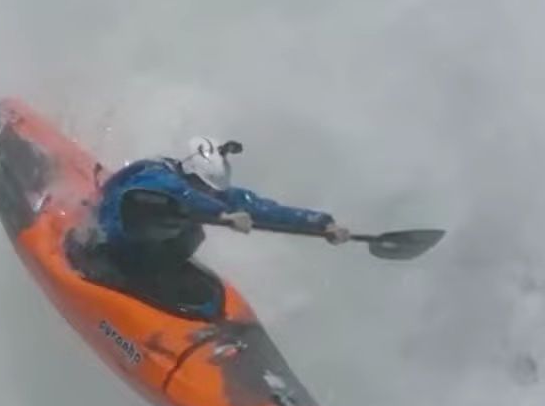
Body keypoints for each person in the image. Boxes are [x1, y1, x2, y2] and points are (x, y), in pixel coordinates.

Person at [73, 136, 345, 321]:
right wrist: (222, 214)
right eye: (205, 187)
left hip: (150, 259)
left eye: (212, 191)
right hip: (107, 249)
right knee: (187, 230)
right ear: (191, 173)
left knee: (190, 235)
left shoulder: (210, 196)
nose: (210, 194)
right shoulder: (158, 176)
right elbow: (181, 195)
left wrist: (321, 224)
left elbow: (263, 208)